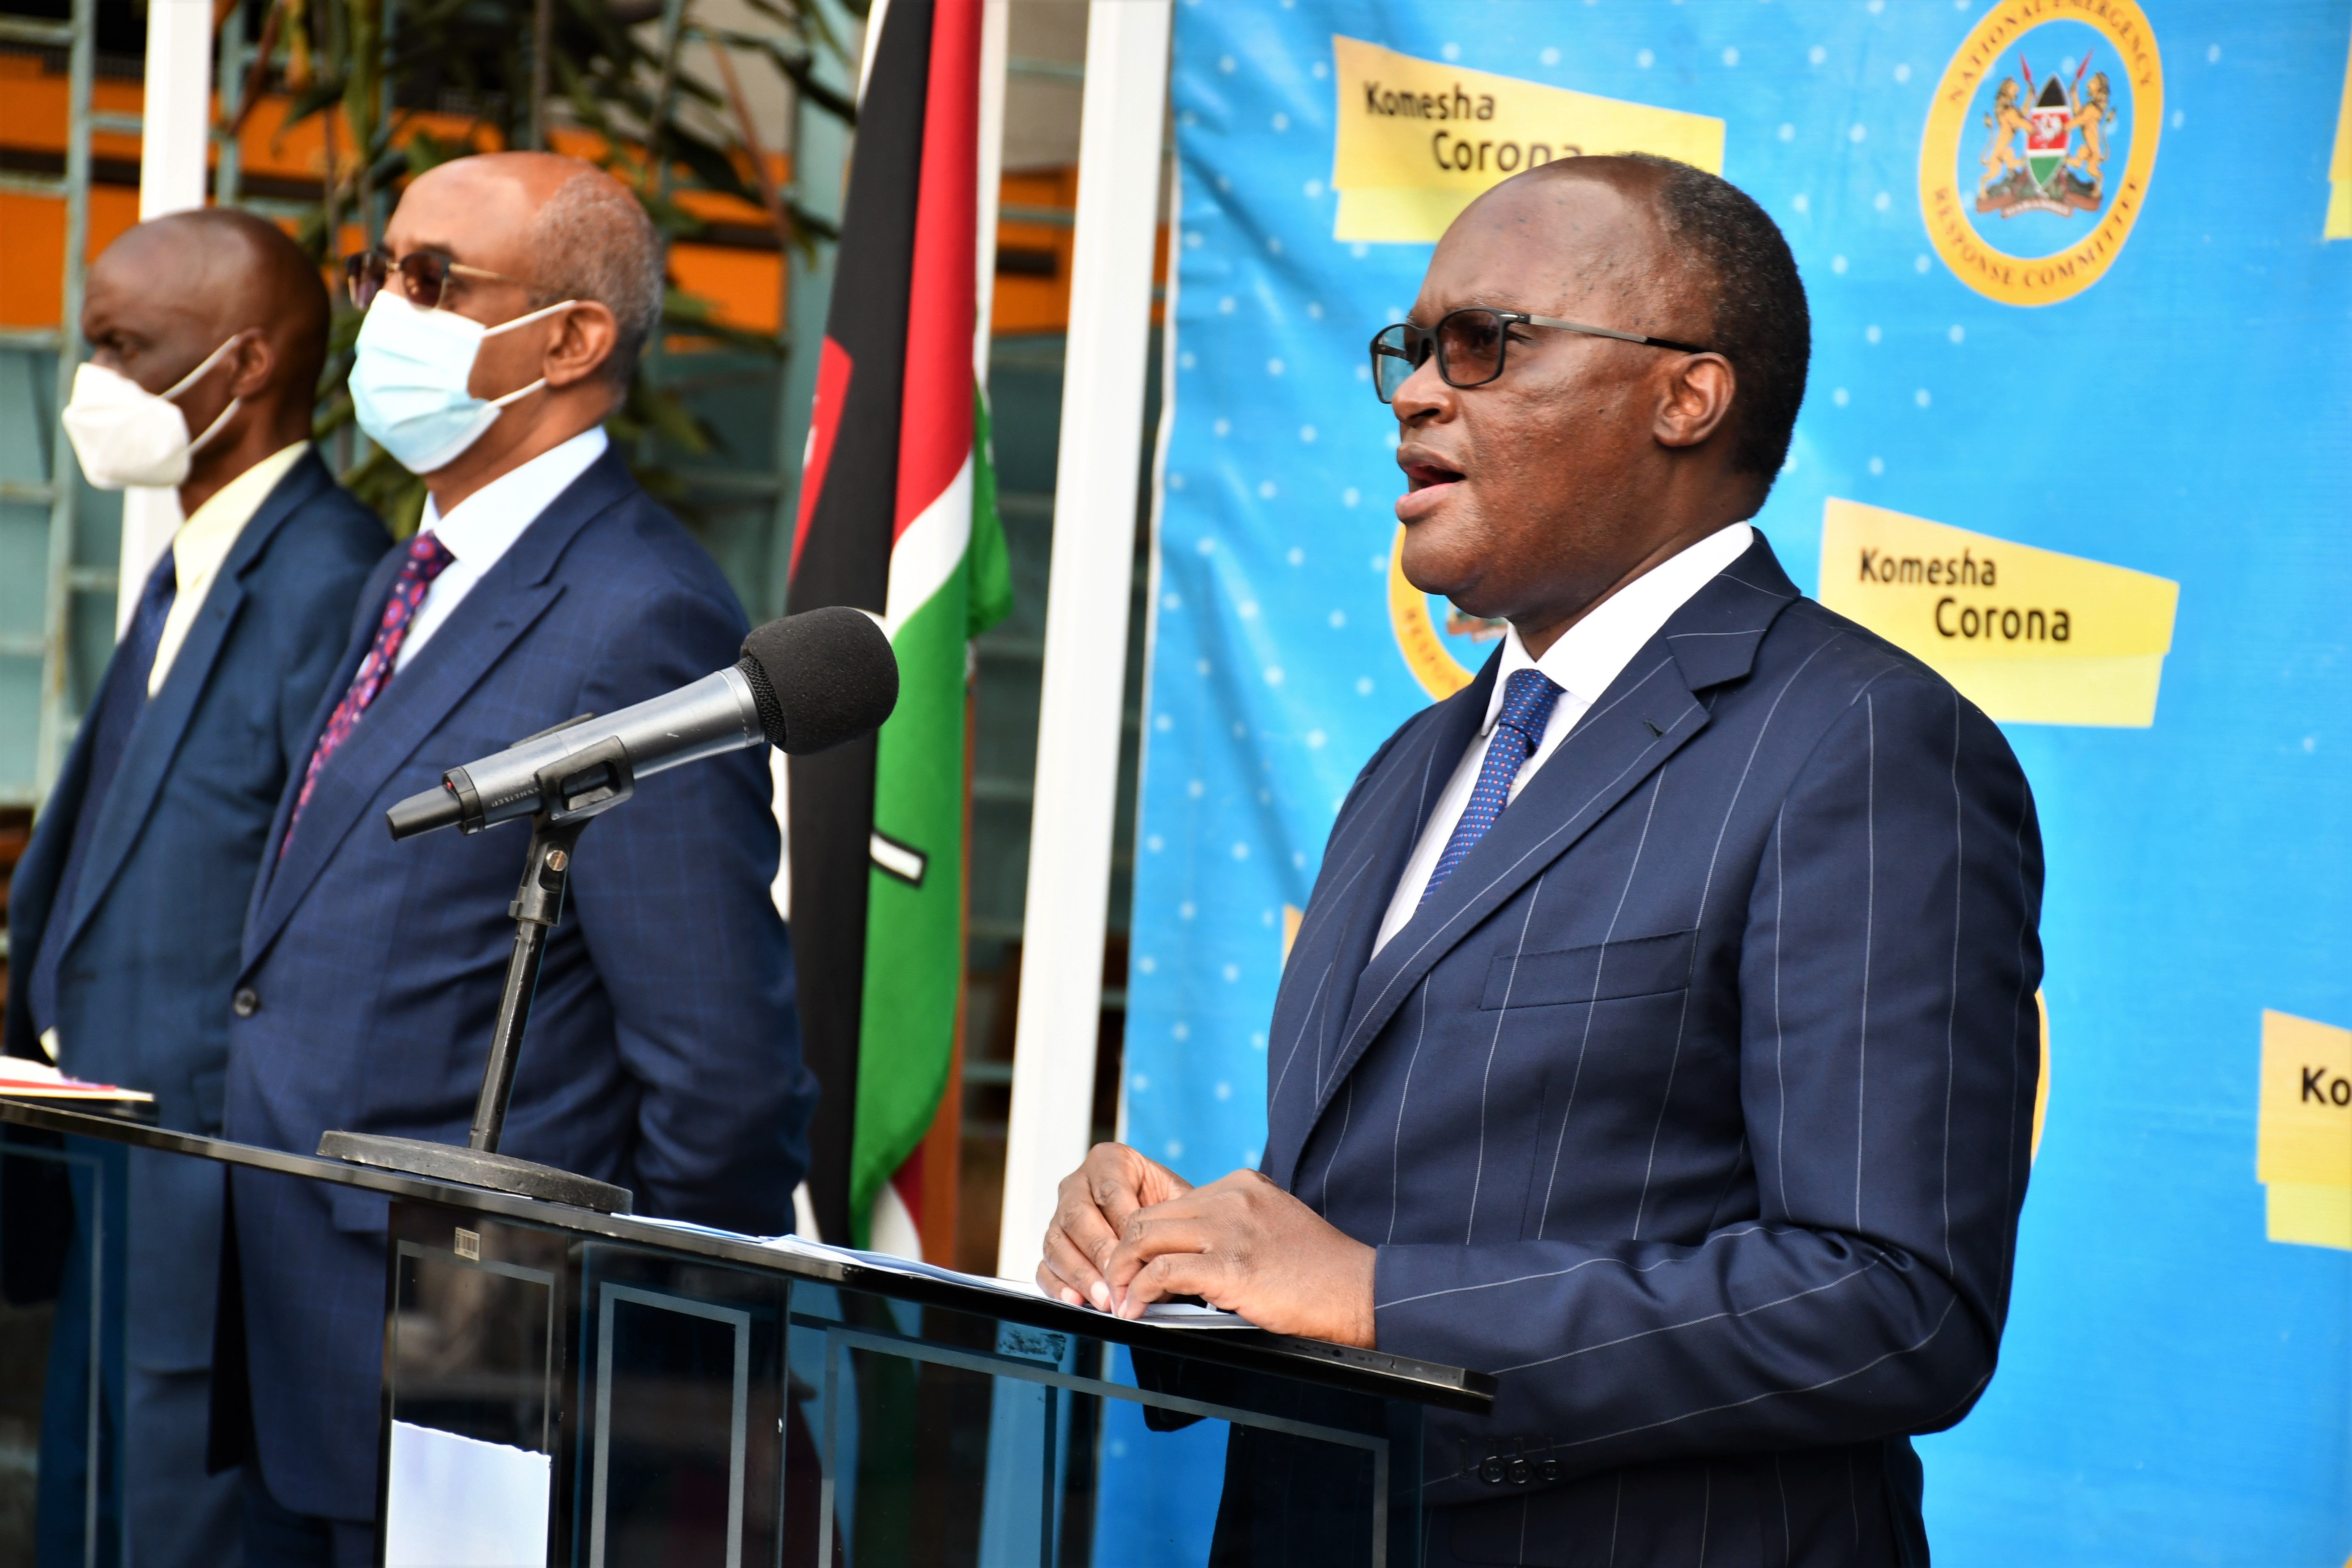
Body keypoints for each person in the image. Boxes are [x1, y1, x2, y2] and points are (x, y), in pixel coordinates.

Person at [1039, 155, 2044, 1563]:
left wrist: (1375, 1297)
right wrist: (1184, 1265)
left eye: (1484, 343)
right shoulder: (1413, 767)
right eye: (1411, 349)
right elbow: (1402, 1212)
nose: (1415, 392)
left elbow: (1889, 1302)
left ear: (1687, 396)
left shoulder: (1863, 745)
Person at [220, 152, 817, 1563]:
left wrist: (642, 1385)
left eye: (434, 280)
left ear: (572, 339)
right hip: (309, 1332)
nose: (386, 309)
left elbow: (720, 1080)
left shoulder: (638, 616)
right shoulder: (407, 574)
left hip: (476, 1382)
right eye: (380, 271)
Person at [0, 208, 388, 1568]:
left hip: (214, 1203)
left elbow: (325, 915)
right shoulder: (192, 562)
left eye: (124, 347)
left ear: (246, 364)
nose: (91, 384)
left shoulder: (331, 580)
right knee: (87, 1524)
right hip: (111, 1180)